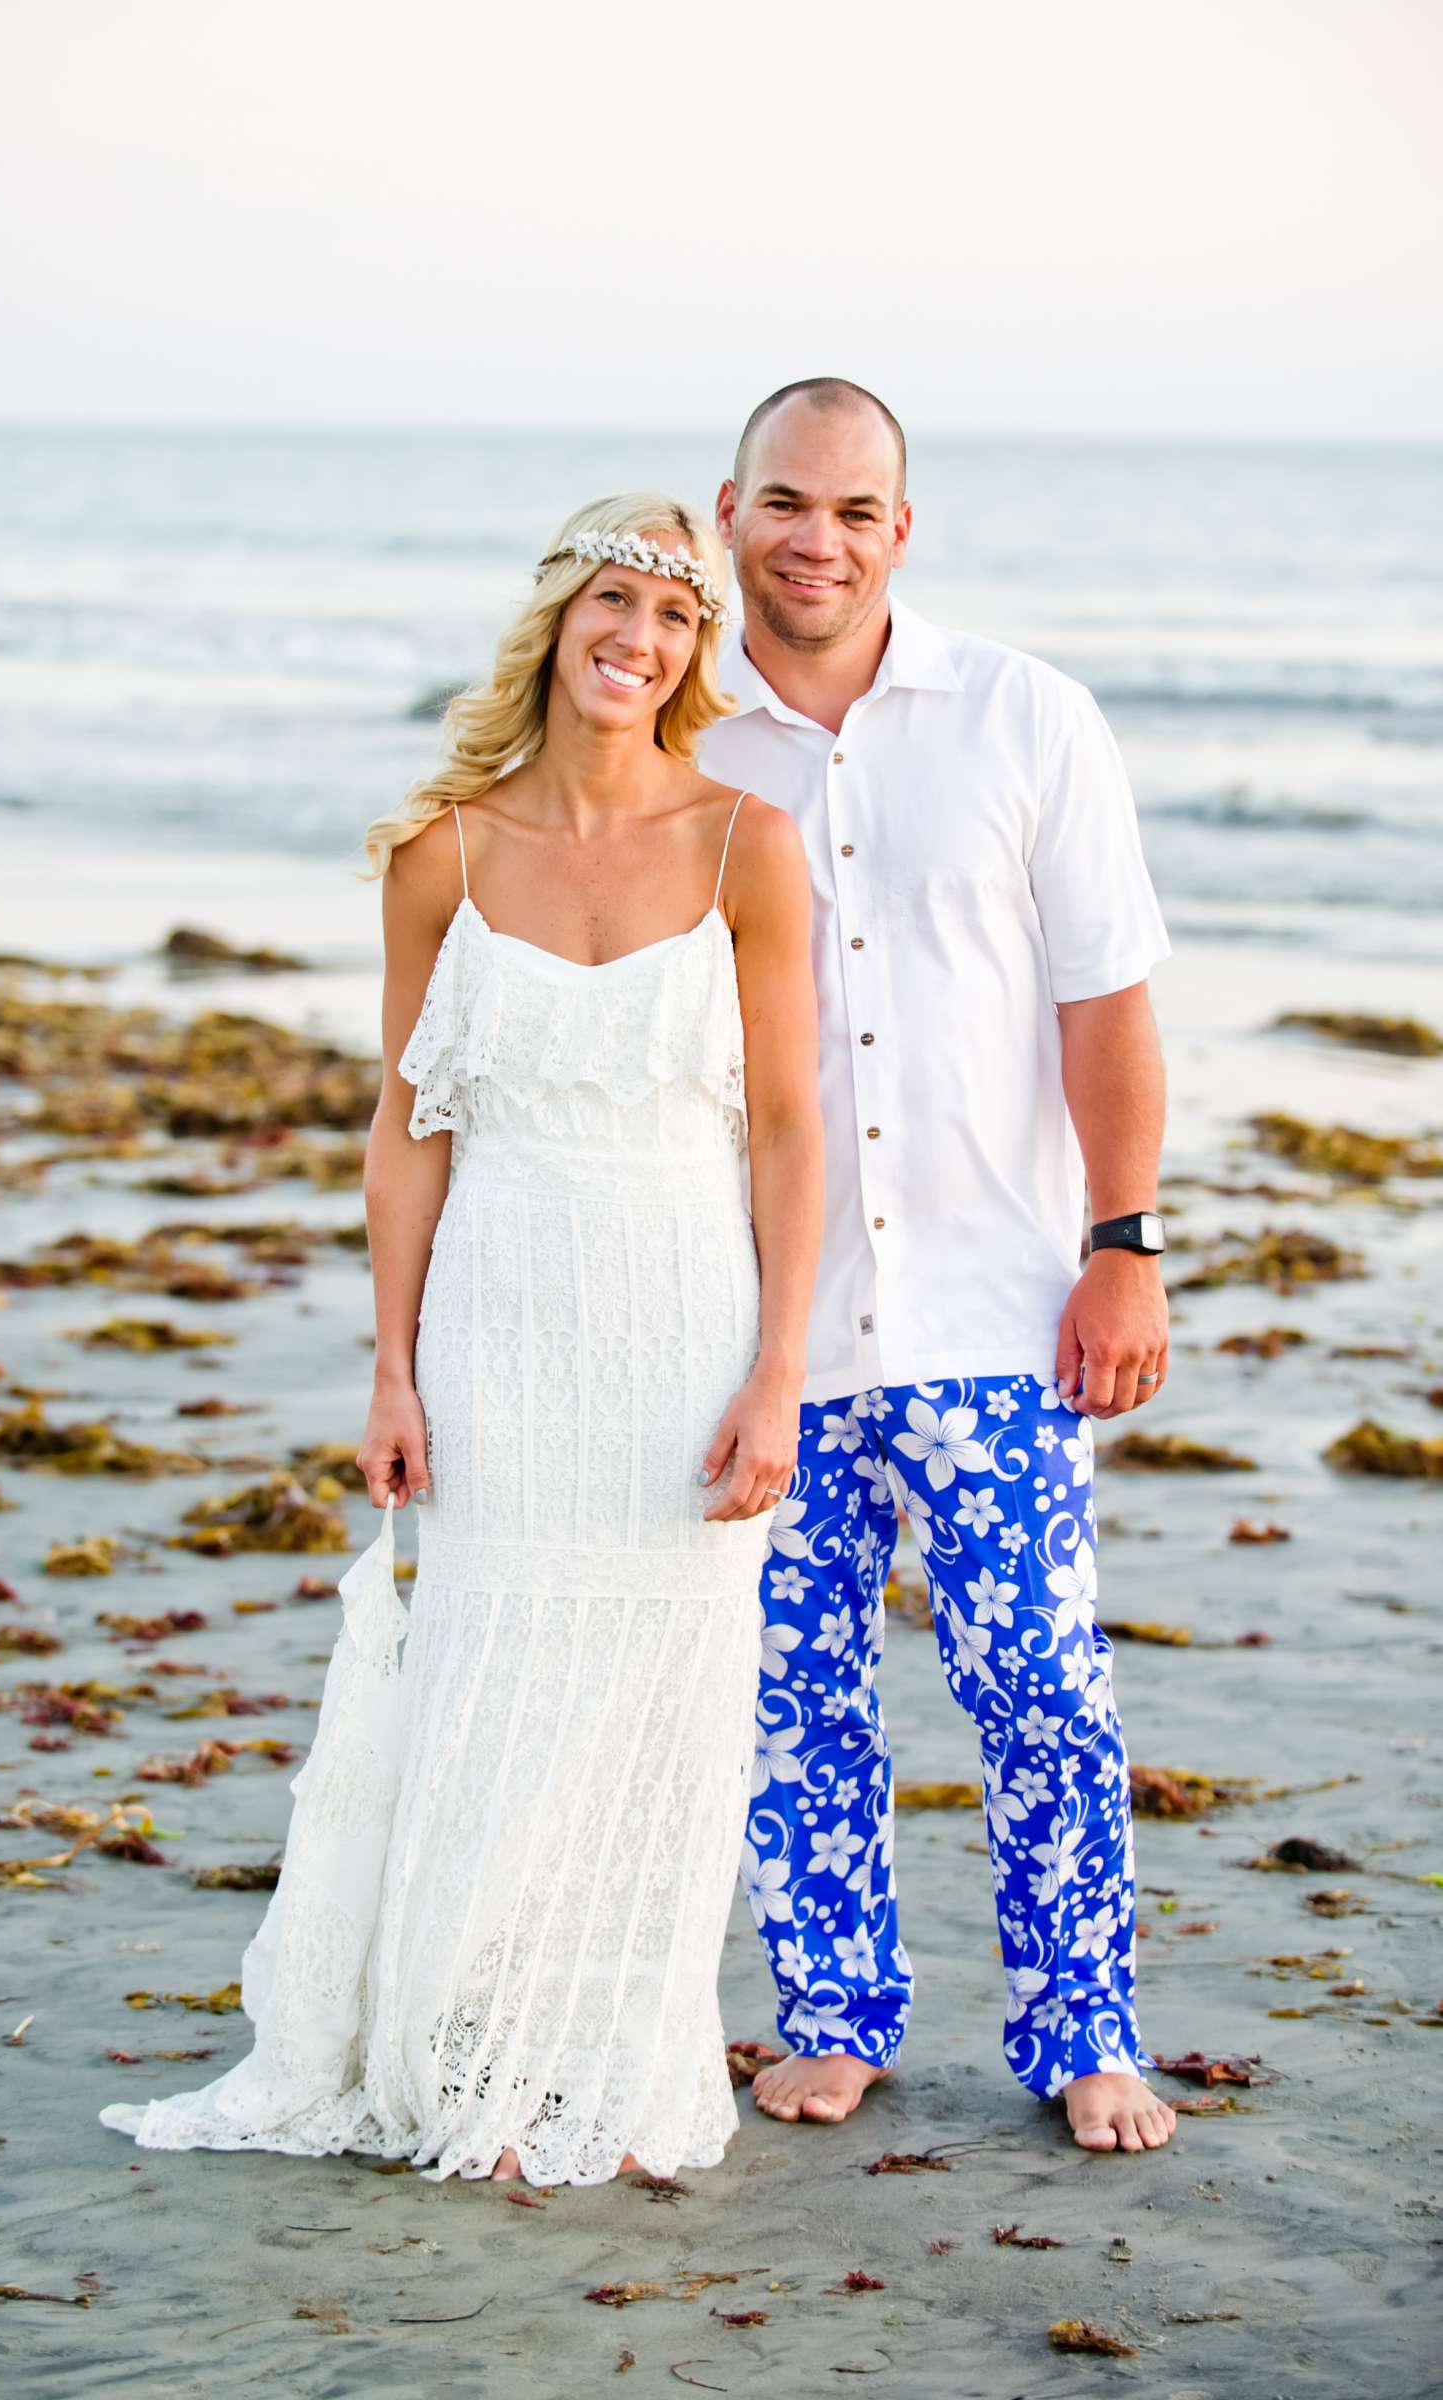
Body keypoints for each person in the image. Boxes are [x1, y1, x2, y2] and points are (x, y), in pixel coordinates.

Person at [100, 493, 823, 2186]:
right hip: (499, 1317)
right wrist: (392, 1365)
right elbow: (406, 1125)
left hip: (678, 1317)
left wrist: (780, 1367)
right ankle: (465, 2053)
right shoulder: (444, 846)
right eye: (614, 602)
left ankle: (592, 2060)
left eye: (672, 615)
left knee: (656, 1685)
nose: (637, 640)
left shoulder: (748, 843)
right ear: (560, 616)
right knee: (495, 1668)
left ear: (697, 650)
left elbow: (791, 1128)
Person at [698, 380, 1179, 2155]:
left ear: (905, 527)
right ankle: (833, 2016)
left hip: (994, 1307)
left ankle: (1086, 2033)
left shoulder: (1026, 717)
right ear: (729, 509)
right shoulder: (680, 740)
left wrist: (1121, 1249)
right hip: (761, 1323)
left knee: (1043, 1686)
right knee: (791, 1695)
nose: (817, 538)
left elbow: (1107, 1002)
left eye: (853, 508)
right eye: (784, 504)